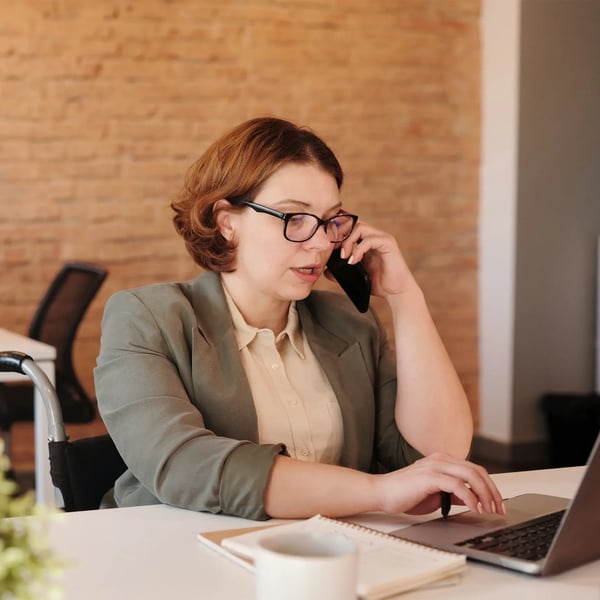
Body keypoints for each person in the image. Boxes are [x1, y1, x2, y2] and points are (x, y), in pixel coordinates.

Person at [94, 117, 504, 521]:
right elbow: (182, 464)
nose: (322, 241)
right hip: (174, 555)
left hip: (323, 558)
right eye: (295, 218)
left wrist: (404, 297)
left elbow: (438, 456)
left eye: (330, 220)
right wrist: (377, 491)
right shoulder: (146, 318)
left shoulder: (349, 322)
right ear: (227, 222)